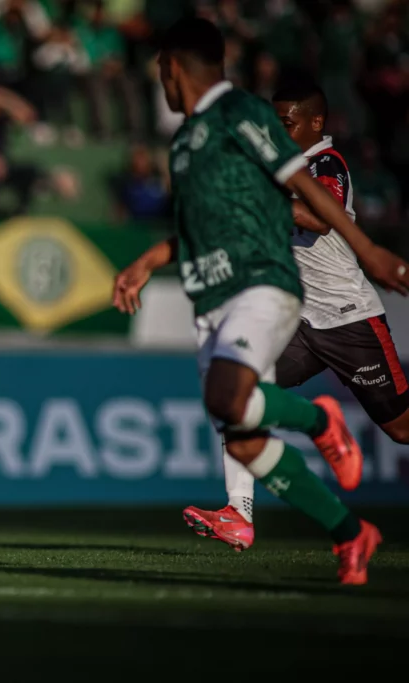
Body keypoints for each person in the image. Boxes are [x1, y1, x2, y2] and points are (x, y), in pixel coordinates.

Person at [112, 18, 409, 585]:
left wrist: (369, 251)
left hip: (330, 310)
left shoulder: (259, 126)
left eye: (160, 73)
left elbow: (309, 200)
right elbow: (209, 223)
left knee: (399, 427)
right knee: (239, 425)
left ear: (173, 70)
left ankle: (315, 420)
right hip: (259, 308)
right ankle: (309, 526)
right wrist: (150, 260)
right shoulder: (186, 143)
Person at [182, 81, 409, 553]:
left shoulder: (327, 164)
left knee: (402, 428)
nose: (276, 130)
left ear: (315, 124)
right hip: (297, 323)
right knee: (234, 394)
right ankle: (238, 514)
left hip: (348, 318)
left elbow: (314, 217)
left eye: (285, 123)